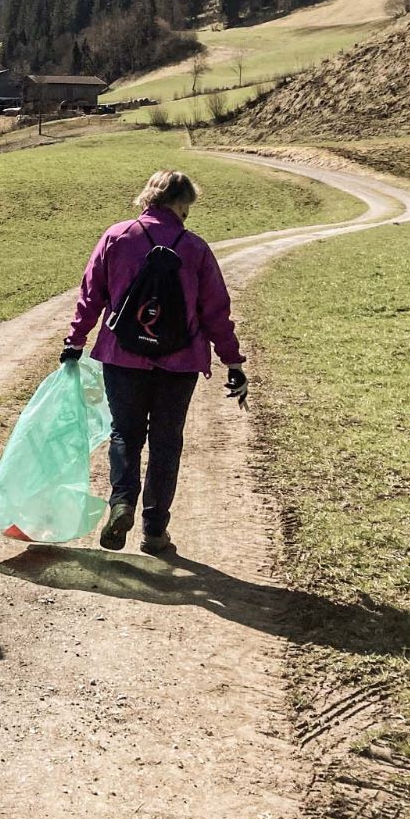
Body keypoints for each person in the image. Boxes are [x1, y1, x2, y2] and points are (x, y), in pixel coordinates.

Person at [60, 170, 248, 556]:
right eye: (188, 206)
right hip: (179, 363)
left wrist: (75, 341)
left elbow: (90, 296)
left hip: (122, 356)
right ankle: (154, 532)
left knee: (126, 434)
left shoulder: (117, 236)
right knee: (166, 443)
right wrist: (233, 361)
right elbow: (216, 312)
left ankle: (122, 502)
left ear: (148, 198)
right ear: (180, 203)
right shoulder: (195, 248)